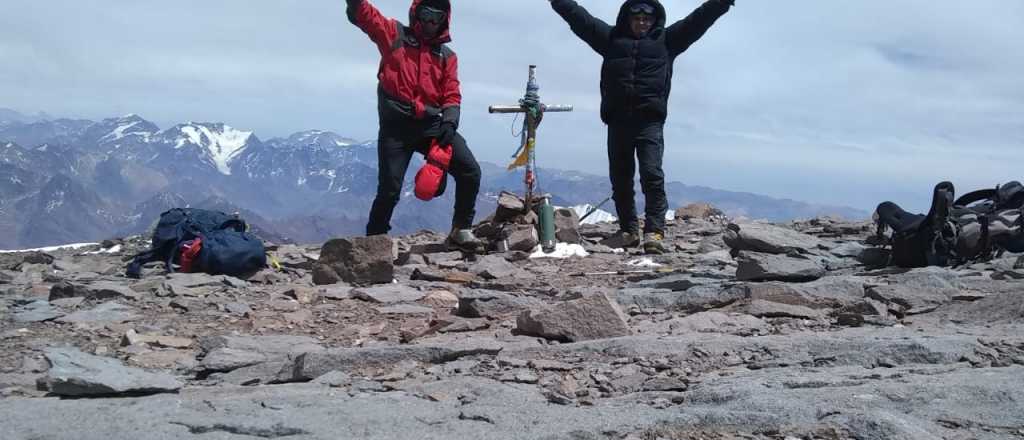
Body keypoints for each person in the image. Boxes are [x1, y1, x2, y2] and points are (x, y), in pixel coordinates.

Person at [548, 0, 734, 254]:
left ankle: (654, 232)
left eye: (647, 19)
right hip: (618, 122)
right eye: (637, 19)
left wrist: (721, 3)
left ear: (654, 20)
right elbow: (581, 19)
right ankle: (628, 230)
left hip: (649, 122)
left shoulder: (668, 41)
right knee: (621, 179)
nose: (642, 23)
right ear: (628, 18)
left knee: (652, 175)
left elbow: (698, 20)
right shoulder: (611, 40)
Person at [346, 0, 484, 252]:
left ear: (445, 20)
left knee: (470, 171)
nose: (432, 23)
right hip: (396, 128)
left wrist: (450, 120)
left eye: (437, 17)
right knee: (389, 189)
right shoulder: (393, 34)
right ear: (417, 14)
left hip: (432, 126)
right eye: (427, 14)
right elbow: (366, 15)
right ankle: (373, 243)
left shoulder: (446, 56)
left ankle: (460, 230)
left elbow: (452, 92)